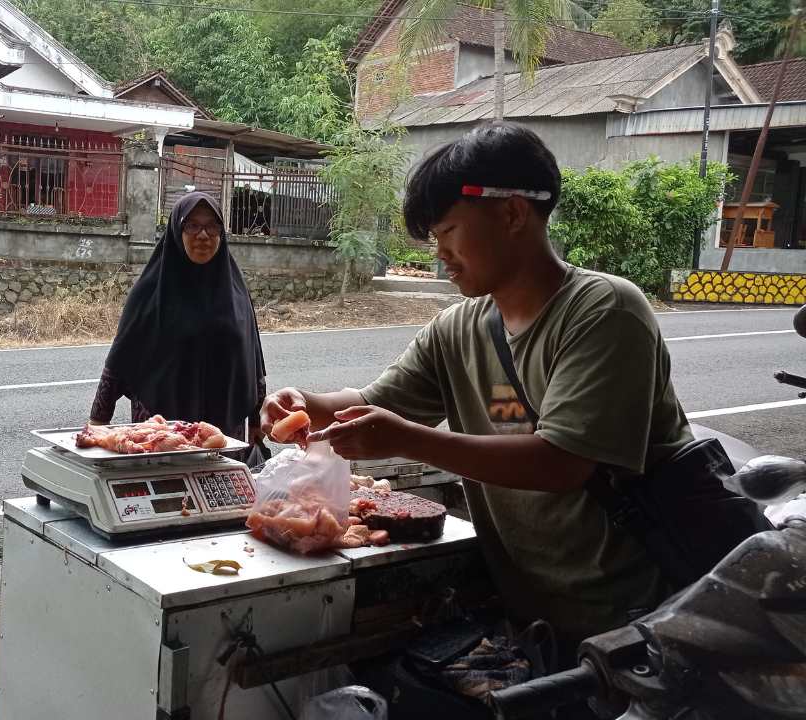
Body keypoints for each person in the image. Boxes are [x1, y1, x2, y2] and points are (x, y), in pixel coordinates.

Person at [261, 122, 692, 661]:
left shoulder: (606, 311)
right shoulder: (459, 327)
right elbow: (377, 403)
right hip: (529, 612)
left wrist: (409, 441)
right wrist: (306, 403)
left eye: (448, 231)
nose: (438, 253)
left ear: (512, 214)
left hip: (630, 619)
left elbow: (561, 463)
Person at [91, 191, 267, 463]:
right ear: (177, 230)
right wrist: (98, 422)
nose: (203, 235)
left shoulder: (236, 293)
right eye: (192, 225)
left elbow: (252, 360)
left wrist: (256, 422)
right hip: (161, 434)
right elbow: (120, 359)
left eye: (212, 226)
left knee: (221, 502)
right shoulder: (151, 293)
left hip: (223, 435)